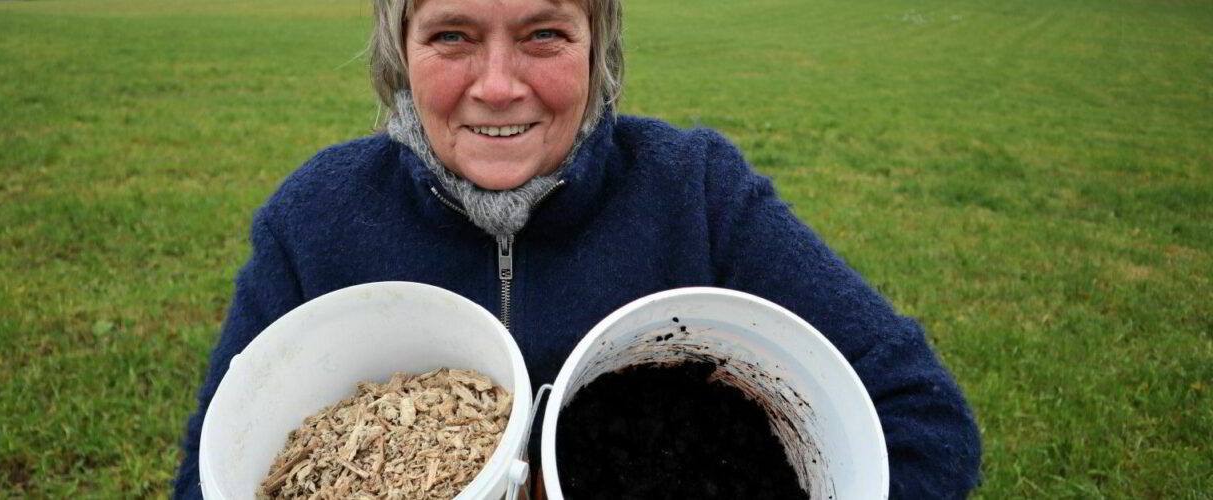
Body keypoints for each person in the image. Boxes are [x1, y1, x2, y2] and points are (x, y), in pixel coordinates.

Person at [173, 0, 983, 497]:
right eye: (451, 34)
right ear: (399, 51)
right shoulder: (315, 221)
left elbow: (923, 423)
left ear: (599, 49)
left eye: (544, 34)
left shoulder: (696, 193)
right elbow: (212, 480)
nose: (497, 84)